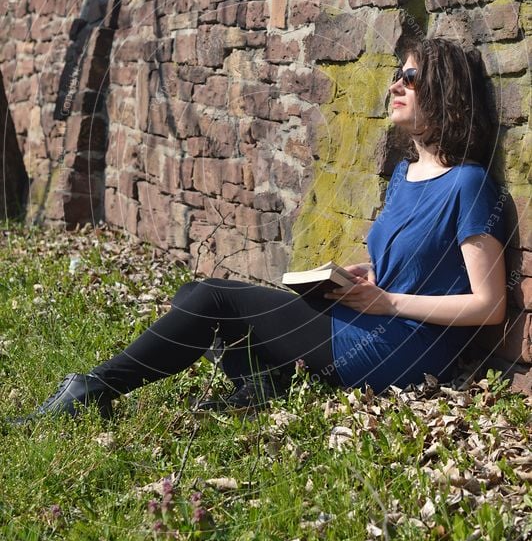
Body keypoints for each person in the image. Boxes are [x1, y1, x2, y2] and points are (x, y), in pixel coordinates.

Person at [10, 37, 507, 423]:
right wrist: (372, 275)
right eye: (397, 73)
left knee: (211, 299)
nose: (396, 84)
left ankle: (92, 389)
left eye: (411, 76)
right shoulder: (404, 175)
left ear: (444, 93)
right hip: (372, 318)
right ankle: (263, 384)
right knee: (196, 293)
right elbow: (418, 264)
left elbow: (489, 306)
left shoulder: (468, 184)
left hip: (399, 347)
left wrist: (391, 302)